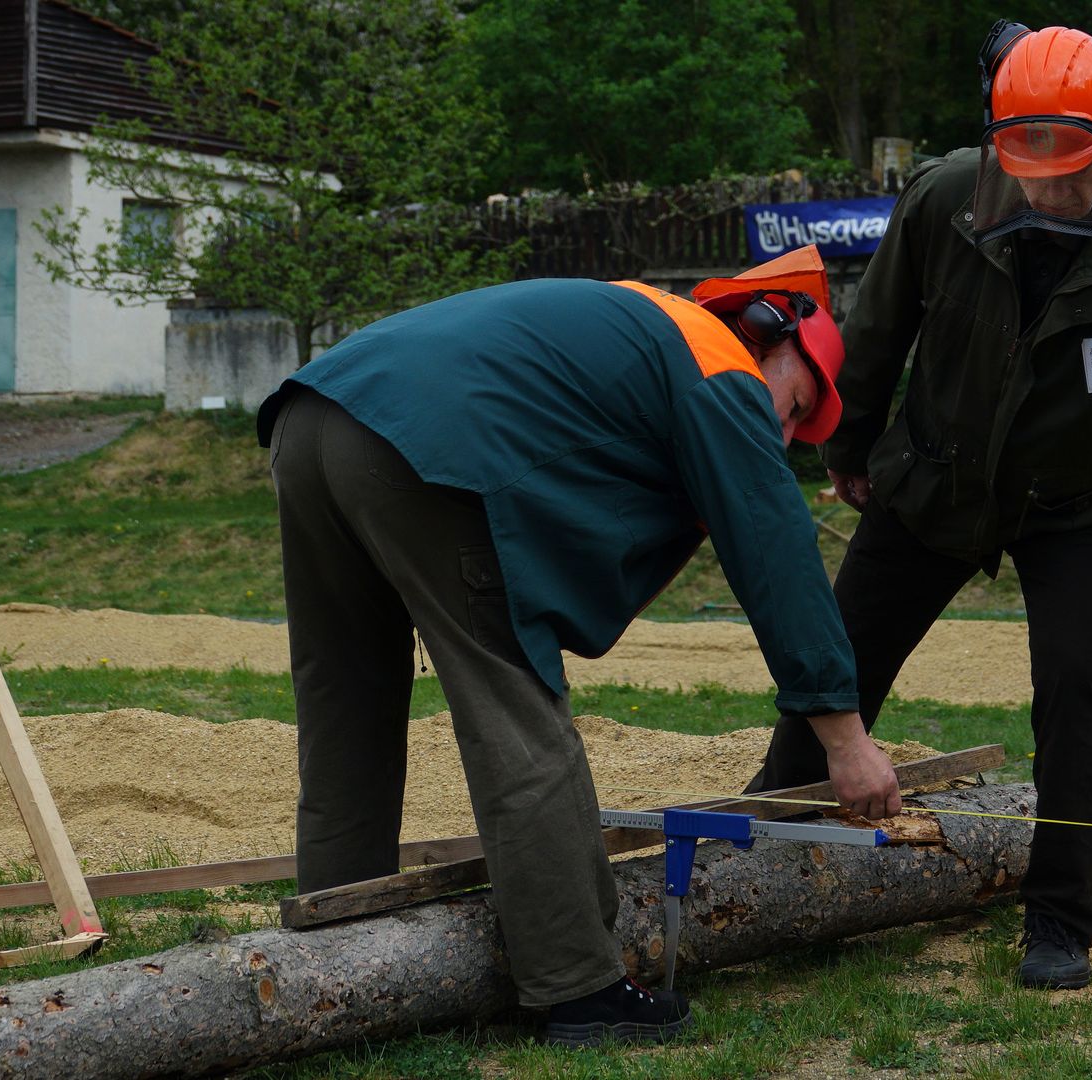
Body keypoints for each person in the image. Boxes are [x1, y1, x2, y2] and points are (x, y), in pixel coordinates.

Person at [255, 245, 903, 1046]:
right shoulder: (718, 365)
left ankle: (336, 955)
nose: (787, 432)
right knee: (515, 712)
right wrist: (845, 738)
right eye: (798, 403)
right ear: (770, 337)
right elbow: (777, 556)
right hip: (426, 444)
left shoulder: (643, 326)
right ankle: (580, 988)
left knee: (345, 704)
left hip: (312, 416)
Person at [744, 22, 1092, 990]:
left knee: (1068, 689)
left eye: (1072, 169)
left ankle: (1057, 918)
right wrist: (848, 445)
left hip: (1070, 505)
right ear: (996, 133)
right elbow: (878, 325)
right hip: (931, 477)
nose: (1047, 191)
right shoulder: (942, 196)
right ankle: (757, 846)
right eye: (1027, 164)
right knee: (837, 658)